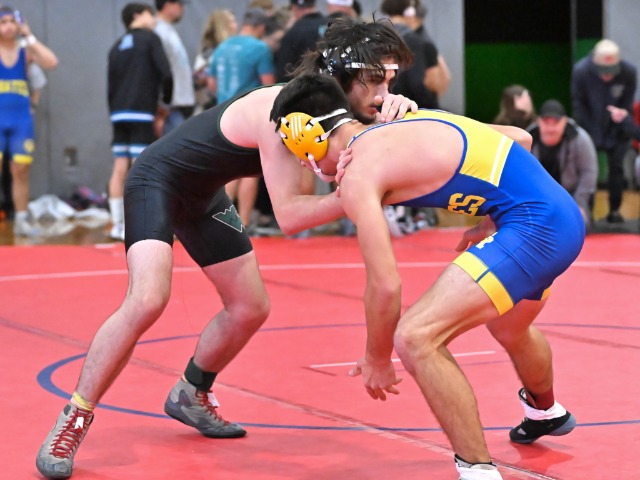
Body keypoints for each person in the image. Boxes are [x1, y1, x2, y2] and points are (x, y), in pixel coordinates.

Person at [35, 17, 416, 480]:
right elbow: (291, 215)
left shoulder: (330, 113)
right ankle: (74, 417)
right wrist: (361, 194)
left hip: (204, 195)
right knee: (148, 298)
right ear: (343, 74)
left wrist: (403, 122)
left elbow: (366, 160)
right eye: (376, 80)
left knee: (250, 307)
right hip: (157, 181)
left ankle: (191, 391)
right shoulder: (285, 109)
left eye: (390, 81)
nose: (384, 93)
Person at [270, 73, 585, 480]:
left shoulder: (359, 172)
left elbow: (385, 284)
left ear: (308, 135)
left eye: (293, 148)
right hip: (556, 213)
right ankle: (545, 411)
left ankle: (478, 470)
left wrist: (377, 356)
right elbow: (519, 140)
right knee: (509, 328)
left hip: (536, 228)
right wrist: (494, 214)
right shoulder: (402, 119)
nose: (300, 162)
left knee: (415, 337)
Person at [107, 3, 173, 241]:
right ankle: (139, 225)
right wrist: (165, 105)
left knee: (119, 167)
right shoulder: (150, 39)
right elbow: (166, 74)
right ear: (137, 16)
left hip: (118, 113)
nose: (154, 20)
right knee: (141, 168)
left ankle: (117, 224)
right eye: (150, 15)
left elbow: (110, 84)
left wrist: (114, 111)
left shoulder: (116, 46)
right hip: (142, 112)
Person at [208, 7, 276, 229]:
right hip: (248, 116)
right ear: (261, 27)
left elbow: (212, 83)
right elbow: (268, 85)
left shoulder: (222, 47)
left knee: (228, 172)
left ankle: (222, 223)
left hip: (222, 115)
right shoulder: (260, 48)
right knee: (249, 171)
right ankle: (243, 222)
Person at [0, 6, 58, 236]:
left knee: (21, 170)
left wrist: (29, 36)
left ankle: (22, 220)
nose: (8, 26)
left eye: (12, 22)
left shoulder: (26, 51)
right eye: (3, 22)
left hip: (20, 120)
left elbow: (52, 62)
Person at [572, 39, 637, 223]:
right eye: (603, 71)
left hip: (617, 129)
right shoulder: (581, 71)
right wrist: (590, 132)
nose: (607, 76)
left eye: (611, 71)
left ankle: (615, 210)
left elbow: (627, 103)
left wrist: (622, 116)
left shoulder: (629, 72)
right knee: (588, 170)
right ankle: (588, 212)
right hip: (589, 127)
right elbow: (579, 105)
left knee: (617, 169)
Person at [528, 99, 598, 228]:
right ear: (539, 121)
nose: (551, 128)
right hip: (537, 199)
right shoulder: (528, 139)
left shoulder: (580, 139)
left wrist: (579, 203)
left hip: (571, 196)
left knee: (574, 225)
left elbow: (589, 172)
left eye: (556, 122)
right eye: (546, 122)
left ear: (564, 121)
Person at [154, 0, 195, 135]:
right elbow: (158, 70)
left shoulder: (167, 29)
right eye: (179, 4)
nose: (182, 8)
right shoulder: (158, 31)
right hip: (169, 109)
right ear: (167, 5)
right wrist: (161, 109)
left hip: (177, 106)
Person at [192, 9, 237, 114]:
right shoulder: (209, 54)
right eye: (232, 22)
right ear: (223, 26)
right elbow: (200, 83)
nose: (235, 25)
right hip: (215, 111)